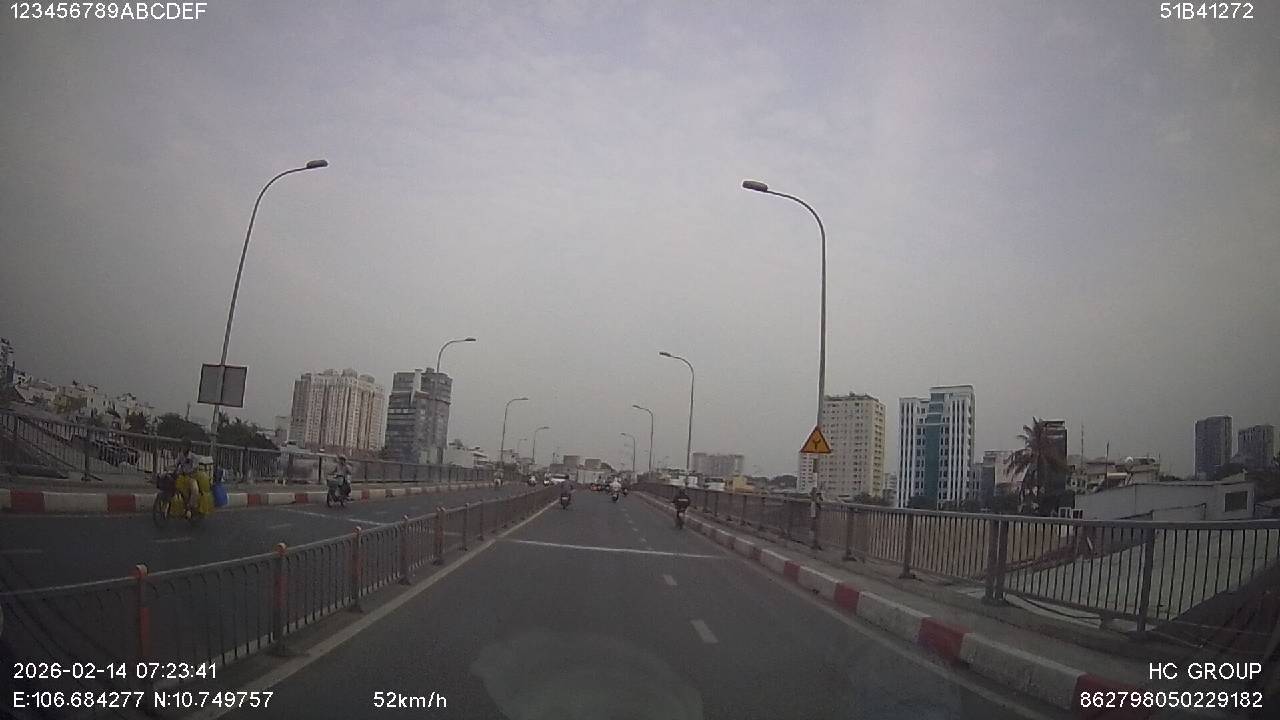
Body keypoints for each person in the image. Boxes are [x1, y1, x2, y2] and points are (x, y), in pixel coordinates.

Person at [173, 439, 198, 518]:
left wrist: (188, 472)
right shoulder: (180, 455)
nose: (183, 447)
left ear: (188, 447)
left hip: (191, 478)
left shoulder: (193, 457)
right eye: (182, 445)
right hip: (182, 477)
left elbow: (195, 469)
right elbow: (176, 465)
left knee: (195, 489)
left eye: (185, 446)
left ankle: (189, 508)